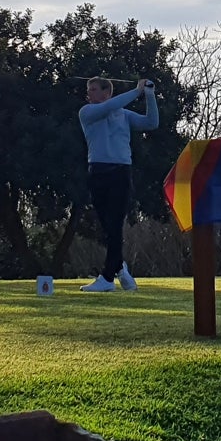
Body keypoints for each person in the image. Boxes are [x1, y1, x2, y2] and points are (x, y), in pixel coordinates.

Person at [78, 76, 159, 292]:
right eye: (89, 89)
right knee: (107, 227)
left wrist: (149, 95)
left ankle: (106, 278)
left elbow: (151, 123)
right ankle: (120, 268)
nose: (89, 94)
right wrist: (136, 91)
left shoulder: (124, 115)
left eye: (93, 89)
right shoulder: (87, 112)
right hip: (98, 172)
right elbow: (109, 107)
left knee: (114, 225)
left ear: (107, 92)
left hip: (121, 173)